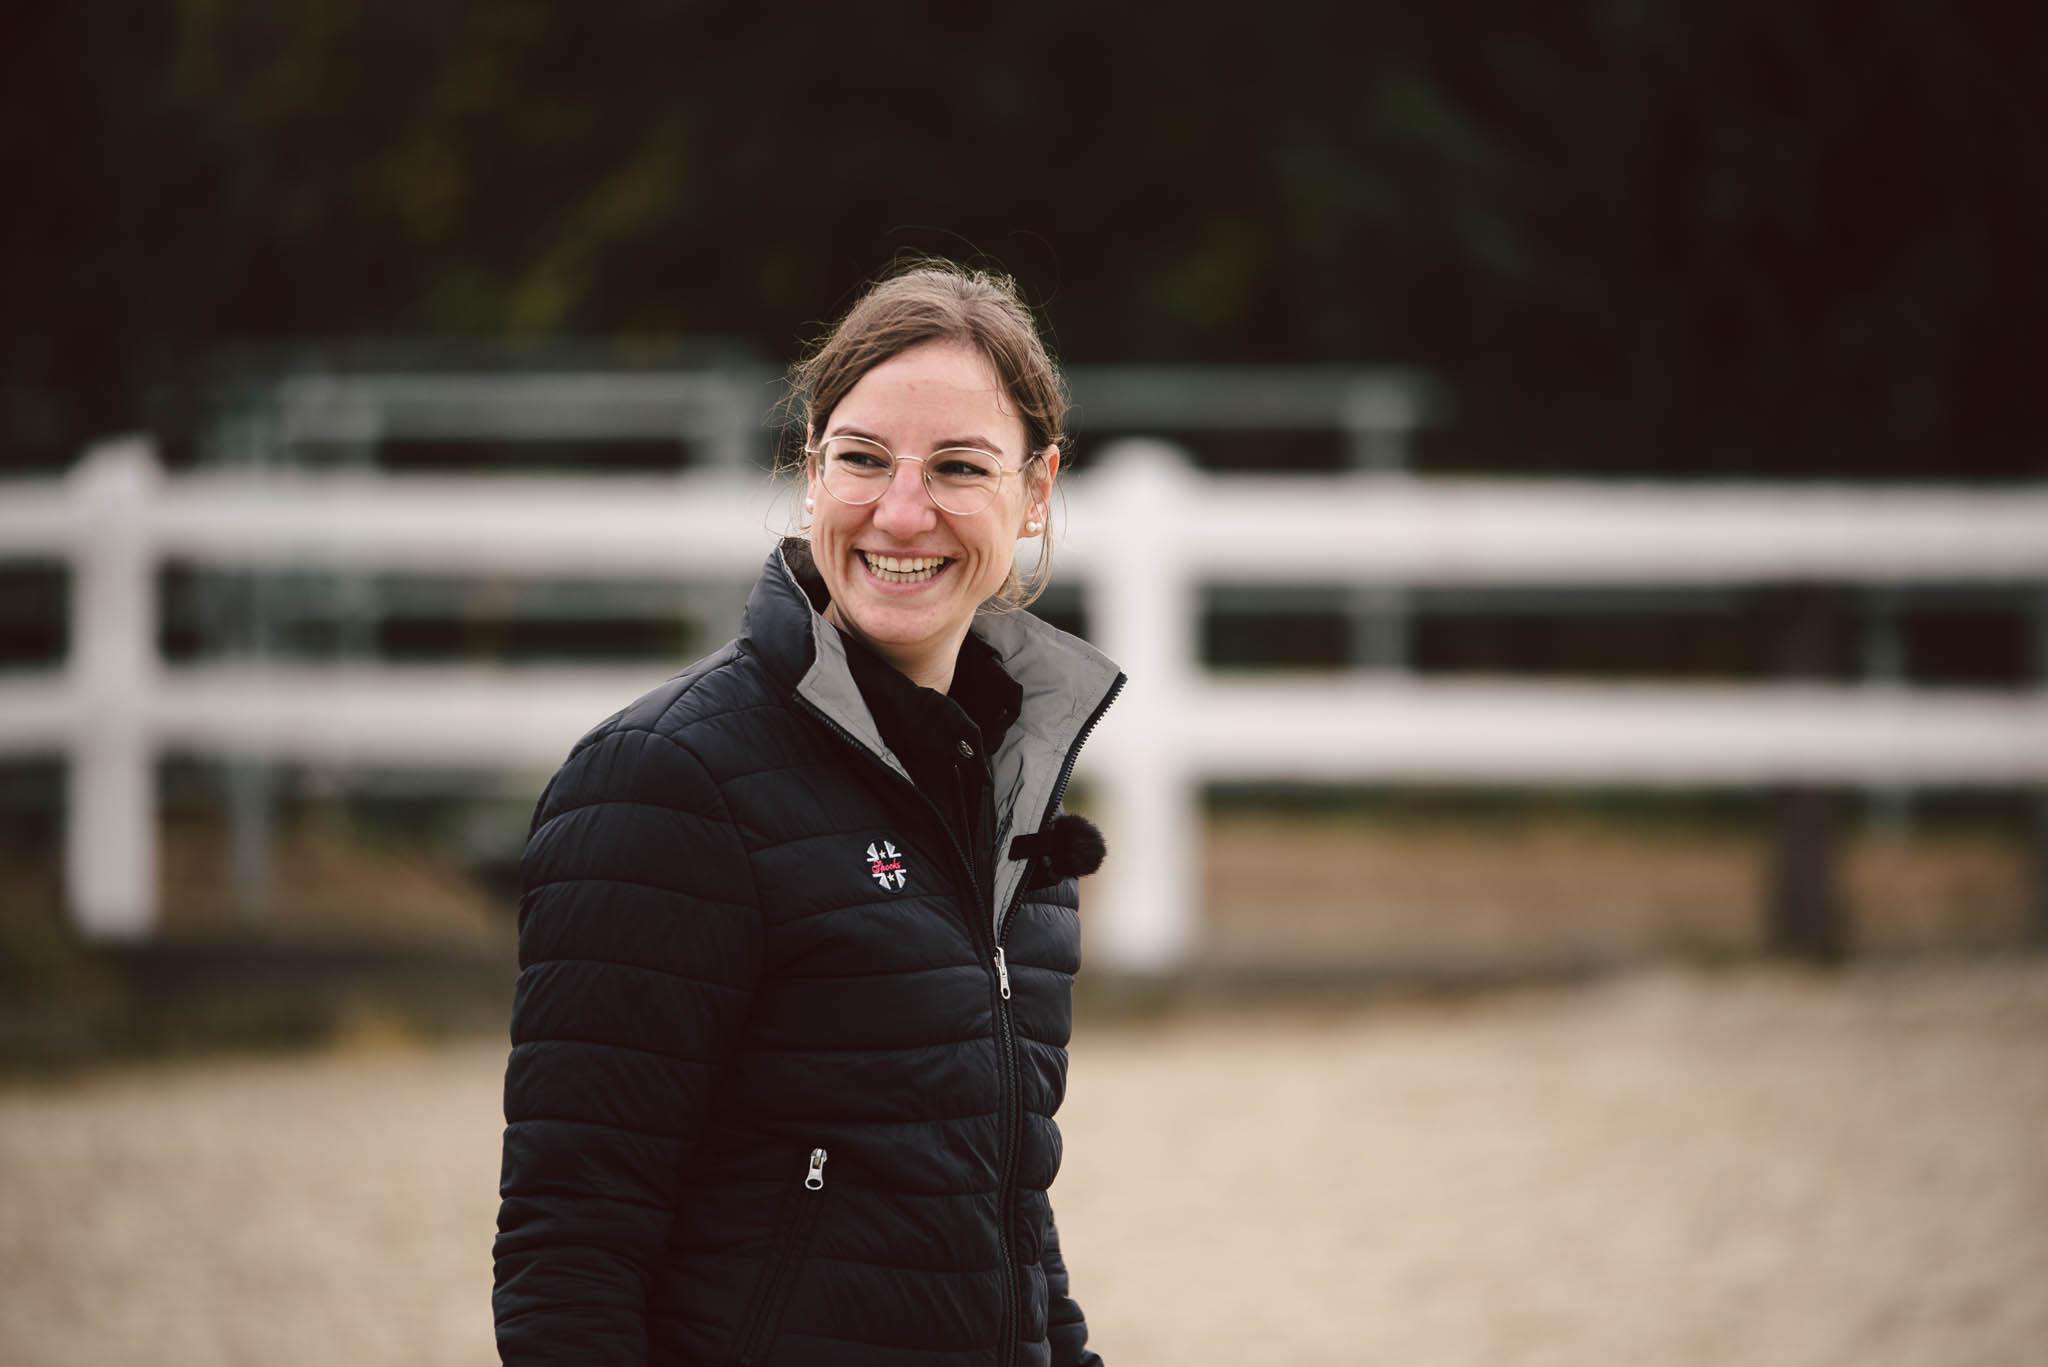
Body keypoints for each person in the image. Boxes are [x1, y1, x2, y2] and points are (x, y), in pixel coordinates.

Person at [493, 260, 1121, 1367]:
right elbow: (572, 1248)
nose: (901, 511)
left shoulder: (1007, 789)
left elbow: (1000, 1211)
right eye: (863, 458)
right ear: (811, 469)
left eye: (958, 466)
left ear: (1036, 492)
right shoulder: (667, 779)